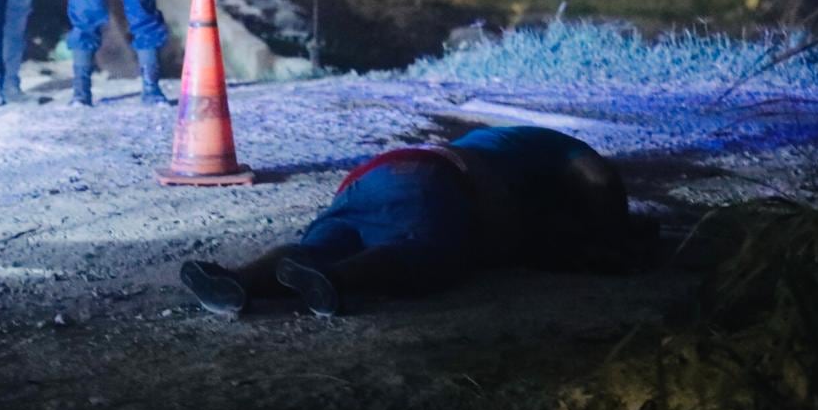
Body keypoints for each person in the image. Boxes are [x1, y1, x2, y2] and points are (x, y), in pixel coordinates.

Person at [180, 126, 657, 317]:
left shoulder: (499, 145)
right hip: (433, 180)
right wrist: (613, 231)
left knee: (324, 243)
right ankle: (338, 279)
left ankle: (236, 281)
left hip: (370, 177)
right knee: (426, 253)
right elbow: (595, 176)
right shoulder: (556, 147)